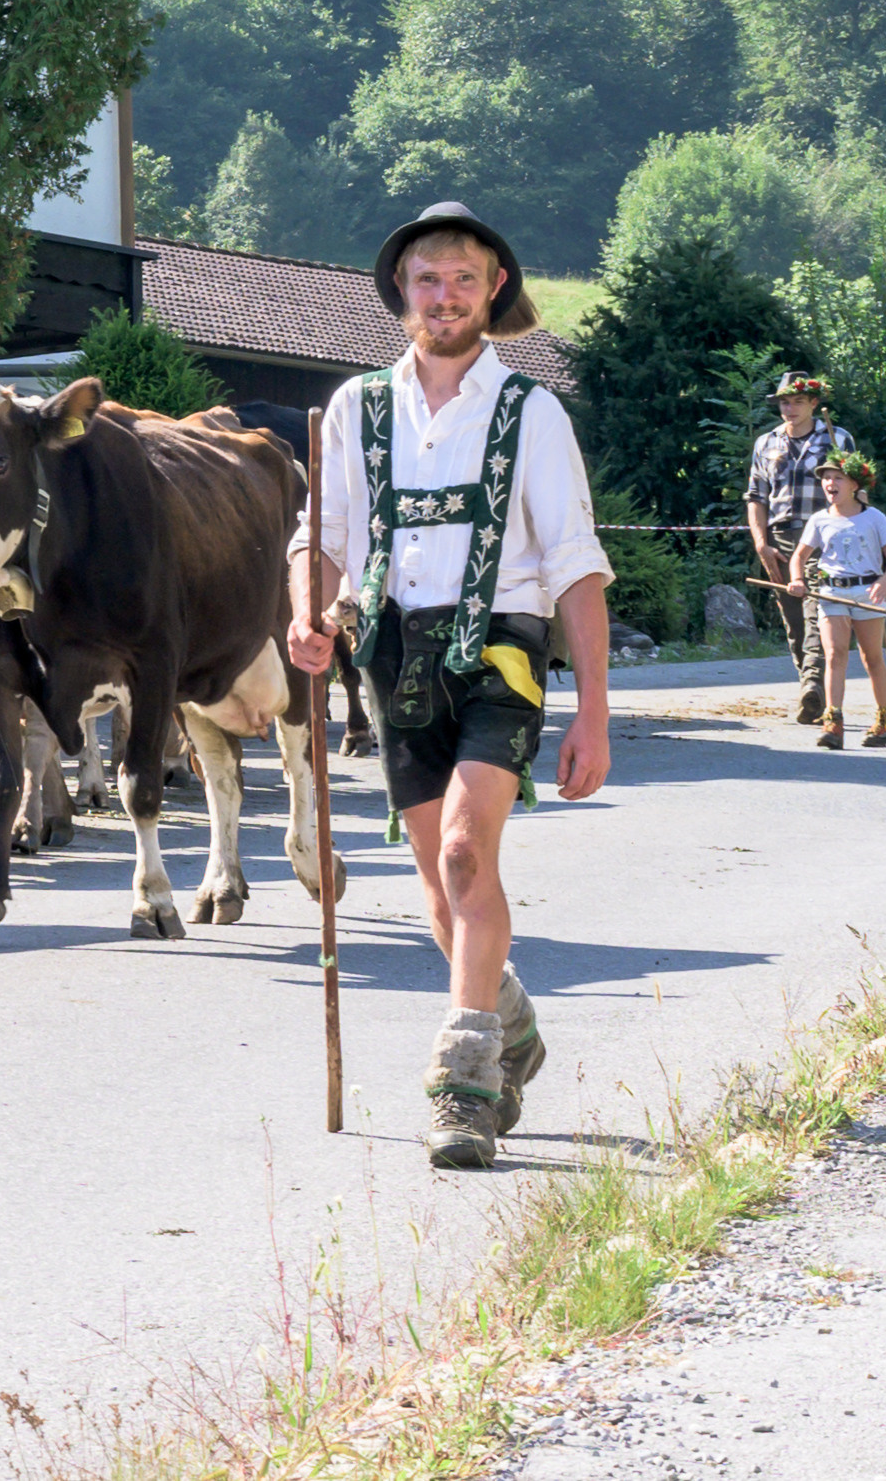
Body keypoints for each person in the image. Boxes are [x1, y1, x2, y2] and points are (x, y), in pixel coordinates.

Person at [286, 201, 615, 1171]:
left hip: (499, 652)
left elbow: (576, 567)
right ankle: (507, 1015)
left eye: (462, 280)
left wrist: (594, 710)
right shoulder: (356, 409)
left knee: (469, 858)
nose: (444, 296)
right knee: (437, 883)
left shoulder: (532, 414)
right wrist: (309, 614)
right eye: (427, 280)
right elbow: (325, 537)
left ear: (492, 290)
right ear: (401, 291)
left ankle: (464, 1081)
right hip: (391, 655)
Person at [745, 371, 857, 725]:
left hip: (824, 537)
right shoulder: (766, 443)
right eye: (784, 401)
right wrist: (761, 543)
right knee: (794, 620)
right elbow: (755, 497)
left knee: (816, 612)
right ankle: (813, 692)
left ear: (814, 403)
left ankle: (812, 682)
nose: (789, 408)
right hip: (780, 538)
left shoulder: (837, 439)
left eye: (797, 401)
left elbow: (856, 491)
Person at [788, 451, 886, 749]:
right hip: (831, 593)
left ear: (854, 484)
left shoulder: (874, 517)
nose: (830, 483)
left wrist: (885, 582)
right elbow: (798, 557)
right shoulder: (820, 519)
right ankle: (833, 723)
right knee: (836, 655)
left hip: (867, 592)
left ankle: (884, 721)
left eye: (837, 477)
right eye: (826, 478)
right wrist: (798, 580)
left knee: (871, 657)